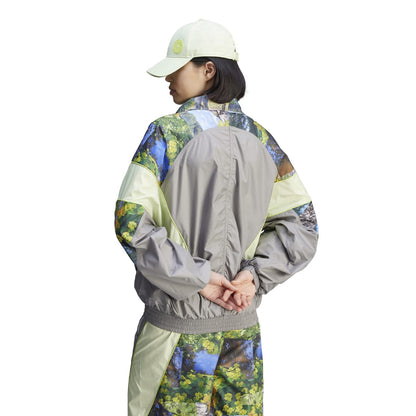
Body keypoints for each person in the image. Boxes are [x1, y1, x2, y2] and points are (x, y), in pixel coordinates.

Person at [115, 19, 318, 416]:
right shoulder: (263, 140)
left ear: (208, 70)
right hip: (242, 338)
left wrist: (197, 278)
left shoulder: (166, 135)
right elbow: (303, 225)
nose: (168, 78)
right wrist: (253, 278)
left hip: (176, 336)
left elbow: (130, 221)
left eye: (177, 67)